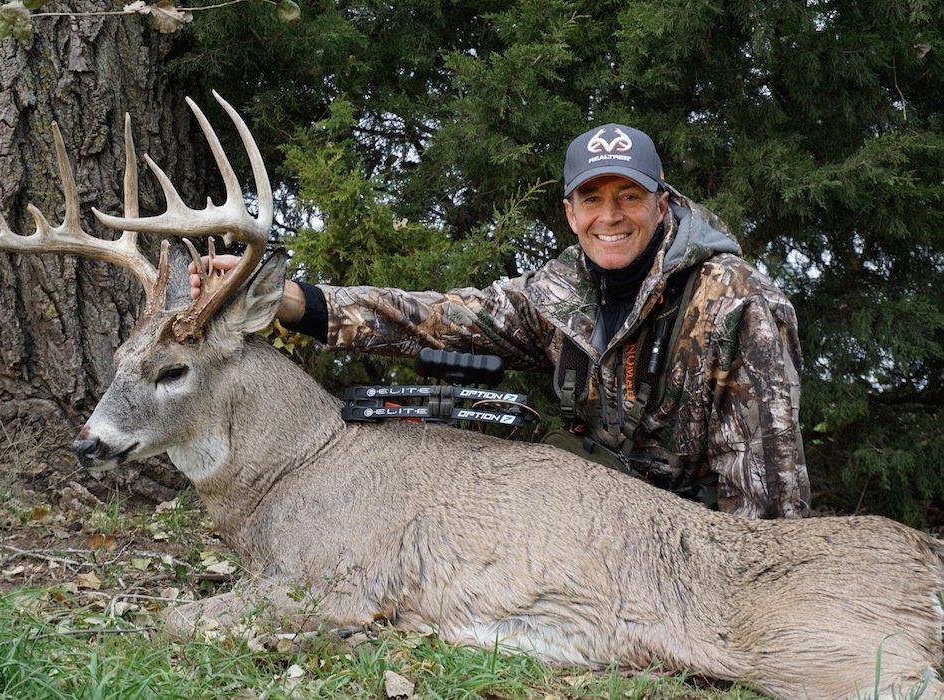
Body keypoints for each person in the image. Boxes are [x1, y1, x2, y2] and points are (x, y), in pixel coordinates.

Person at [191, 124, 811, 519]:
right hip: (605, 509)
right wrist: (290, 299)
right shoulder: (559, 292)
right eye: (593, 199)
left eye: (629, 196)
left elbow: (769, 489)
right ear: (570, 212)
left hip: (702, 544)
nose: (611, 216)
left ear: (662, 201)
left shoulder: (737, 304)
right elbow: (435, 322)